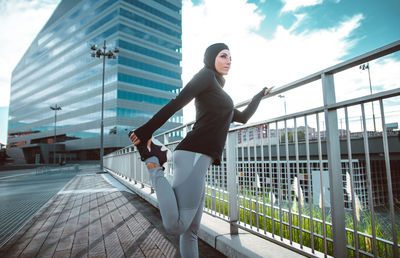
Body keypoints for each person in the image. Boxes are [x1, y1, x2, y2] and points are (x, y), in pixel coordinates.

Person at [129, 43, 273, 258]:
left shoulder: (216, 92)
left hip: (197, 159)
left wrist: (259, 95)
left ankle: (153, 159)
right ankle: (153, 163)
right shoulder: (205, 76)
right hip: (193, 155)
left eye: (230, 57)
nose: (228, 61)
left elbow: (241, 118)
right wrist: (145, 131)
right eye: (223, 56)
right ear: (211, 58)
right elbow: (178, 102)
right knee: (177, 226)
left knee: (190, 231)